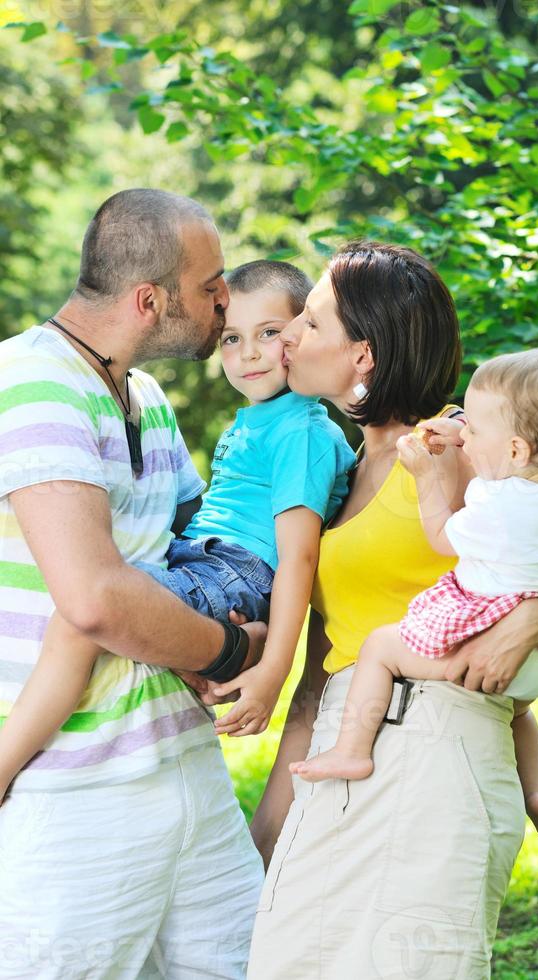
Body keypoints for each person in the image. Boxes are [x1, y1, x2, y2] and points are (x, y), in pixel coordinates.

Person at [244, 242, 538, 980]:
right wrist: (281, 799)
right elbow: (330, 655)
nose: (287, 335)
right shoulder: (342, 467)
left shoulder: (455, 446)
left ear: (364, 352)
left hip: (438, 743)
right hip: (346, 743)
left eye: (311, 321)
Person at [0, 189, 268, 980]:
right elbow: (96, 599)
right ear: (150, 300)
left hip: (188, 769)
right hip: (76, 791)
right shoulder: (30, 382)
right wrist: (228, 649)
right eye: (212, 284)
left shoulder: (145, 397)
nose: (227, 300)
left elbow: (189, 547)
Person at [0, 260, 355, 797]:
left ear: (304, 333)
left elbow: (300, 556)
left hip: (238, 571)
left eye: (270, 334)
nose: (250, 353)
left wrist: (273, 667)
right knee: (113, 604)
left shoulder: (299, 433)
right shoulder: (265, 420)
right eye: (232, 338)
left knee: (84, 615)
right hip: (207, 561)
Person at [289, 347, 538, 838]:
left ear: (516, 449)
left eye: (476, 430)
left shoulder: (495, 509)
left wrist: (424, 480)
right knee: (520, 711)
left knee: (382, 648)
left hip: (480, 640)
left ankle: (351, 749)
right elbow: (503, 461)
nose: (467, 434)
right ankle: (537, 792)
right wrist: (466, 435)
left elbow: (443, 535)